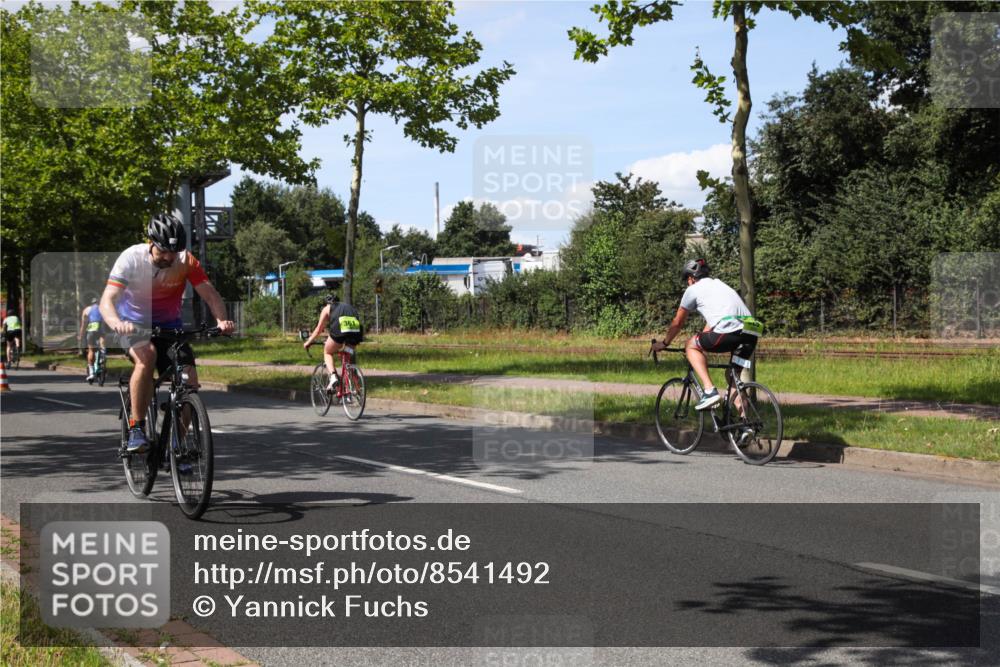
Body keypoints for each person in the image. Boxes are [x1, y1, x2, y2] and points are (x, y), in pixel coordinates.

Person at [100, 213, 235, 453]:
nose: (169, 257)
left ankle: (177, 443)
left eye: (174, 252)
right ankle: (137, 429)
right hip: (134, 326)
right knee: (147, 356)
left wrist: (222, 320)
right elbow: (107, 301)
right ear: (151, 243)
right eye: (164, 251)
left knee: (189, 381)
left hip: (170, 328)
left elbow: (210, 294)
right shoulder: (130, 258)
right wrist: (117, 322)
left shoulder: (186, 261)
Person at [652, 259, 762, 411]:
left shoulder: (692, 290)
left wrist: (664, 343)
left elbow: (677, 322)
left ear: (691, 278)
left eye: (687, 281)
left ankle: (709, 391)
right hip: (751, 333)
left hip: (730, 332)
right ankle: (746, 428)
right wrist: (703, 340)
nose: (687, 284)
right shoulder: (719, 284)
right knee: (733, 377)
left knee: (690, 345)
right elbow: (716, 319)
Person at [302, 292, 363, 395]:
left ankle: (334, 376)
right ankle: (357, 389)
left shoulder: (327, 308)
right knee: (348, 358)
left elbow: (318, 330)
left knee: (327, 352)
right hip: (356, 333)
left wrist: (308, 342)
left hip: (340, 332)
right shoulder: (348, 306)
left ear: (328, 302)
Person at [78, 297, 106, 382]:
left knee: (91, 350)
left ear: (91, 303)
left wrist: (80, 336)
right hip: (101, 329)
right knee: (102, 341)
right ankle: (103, 354)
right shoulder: (103, 308)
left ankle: (91, 373)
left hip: (91, 331)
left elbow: (83, 325)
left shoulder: (86, 310)